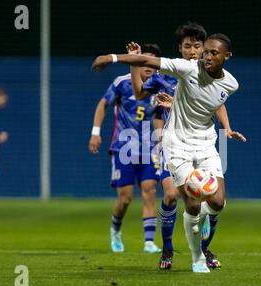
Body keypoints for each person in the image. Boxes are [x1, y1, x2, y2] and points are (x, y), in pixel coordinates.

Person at [92, 33, 243, 273]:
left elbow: (215, 101)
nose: (200, 53)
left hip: (205, 143)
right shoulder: (182, 69)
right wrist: (113, 58)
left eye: (203, 48)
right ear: (181, 49)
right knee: (177, 197)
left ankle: (203, 235)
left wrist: (226, 128)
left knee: (217, 201)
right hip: (174, 144)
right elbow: (144, 80)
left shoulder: (231, 84)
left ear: (226, 56)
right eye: (191, 47)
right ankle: (181, 253)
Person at [88, 44, 163, 254]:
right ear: (137, 62)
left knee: (149, 192)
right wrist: (95, 132)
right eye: (144, 60)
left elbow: (161, 117)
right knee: (125, 197)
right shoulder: (122, 83)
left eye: (151, 62)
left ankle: (149, 242)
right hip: (124, 148)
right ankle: (116, 231)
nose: (147, 66)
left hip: (149, 149)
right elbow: (103, 104)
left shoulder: (160, 86)